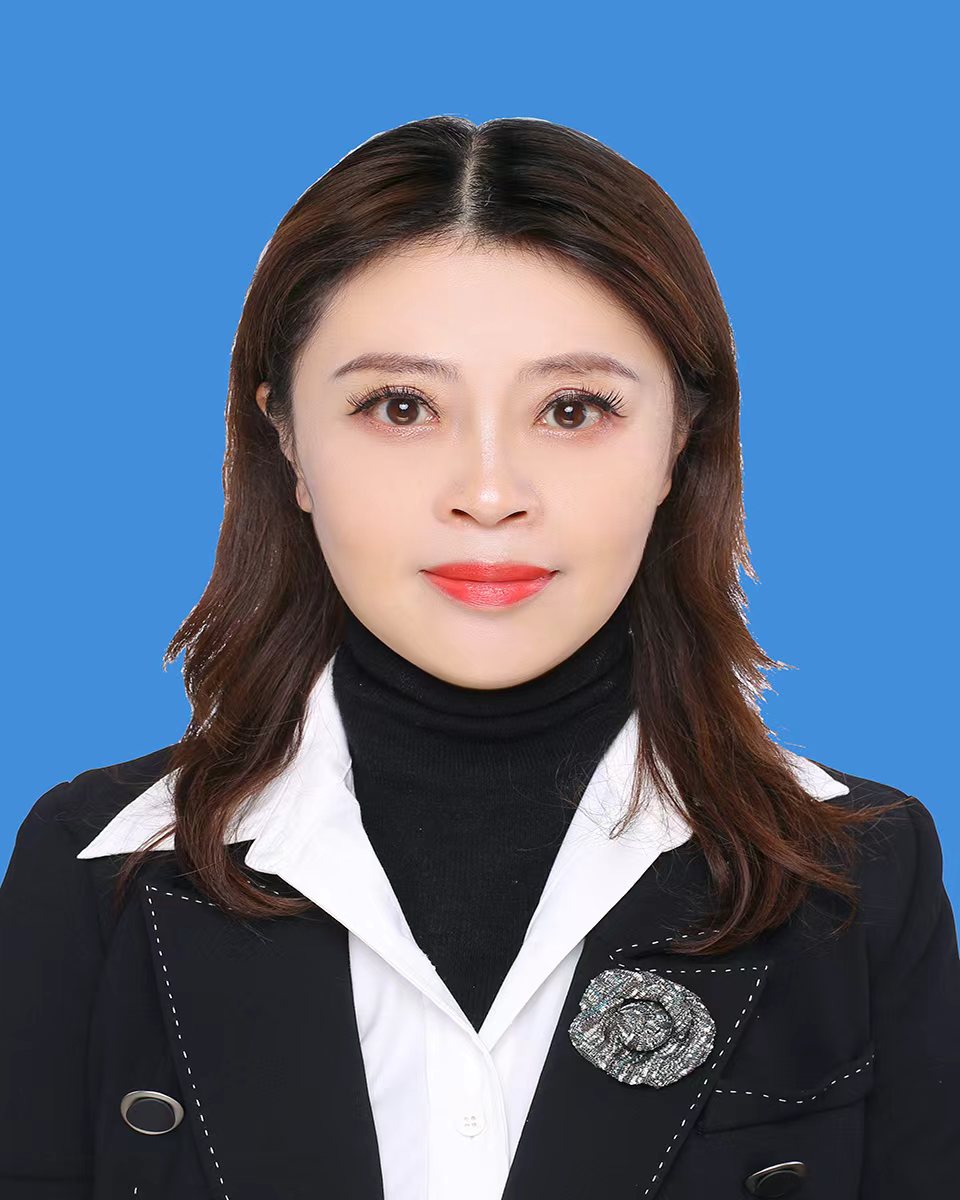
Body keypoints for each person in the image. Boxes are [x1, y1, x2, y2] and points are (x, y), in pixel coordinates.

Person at [1, 115, 957, 1200]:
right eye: (401, 406)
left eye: (573, 409)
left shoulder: (860, 878)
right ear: (288, 440)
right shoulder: (98, 871)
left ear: (679, 441)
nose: (491, 493)